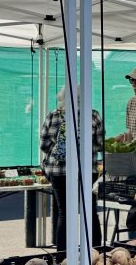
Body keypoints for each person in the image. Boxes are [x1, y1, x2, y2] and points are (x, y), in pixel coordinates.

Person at [39, 88, 104, 249]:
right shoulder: (93, 115)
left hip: (59, 172)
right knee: (90, 212)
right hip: (87, 171)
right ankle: (94, 254)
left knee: (64, 213)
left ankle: (62, 257)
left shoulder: (53, 115)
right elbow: (100, 144)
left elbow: (44, 145)